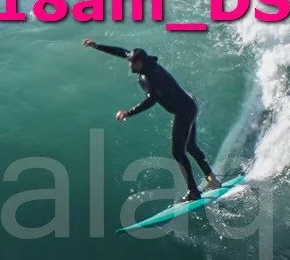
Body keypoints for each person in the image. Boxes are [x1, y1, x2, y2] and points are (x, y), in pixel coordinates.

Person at [85, 38, 220, 200]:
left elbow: (151, 100)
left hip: (185, 110)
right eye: (130, 62)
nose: (130, 66)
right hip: (190, 103)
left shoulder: (149, 77)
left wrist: (128, 112)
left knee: (178, 152)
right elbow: (122, 52)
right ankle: (212, 180)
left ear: (141, 62)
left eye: (133, 64)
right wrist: (97, 46)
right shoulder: (145, 62)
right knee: (190, 146)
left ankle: (194, 192)